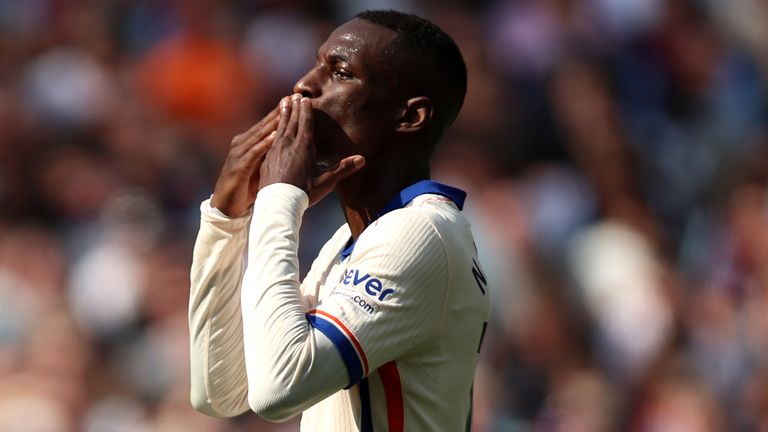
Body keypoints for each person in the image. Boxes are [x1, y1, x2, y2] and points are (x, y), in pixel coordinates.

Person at [188, 10, 490, 431]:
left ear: (410, 117)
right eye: (317, 63)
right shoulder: (354, 239)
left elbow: (278, 389)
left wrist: (279, 198)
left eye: (341, 72)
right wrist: (227, 219)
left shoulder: (421, 233)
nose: (304, 85)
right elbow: (221, 391)